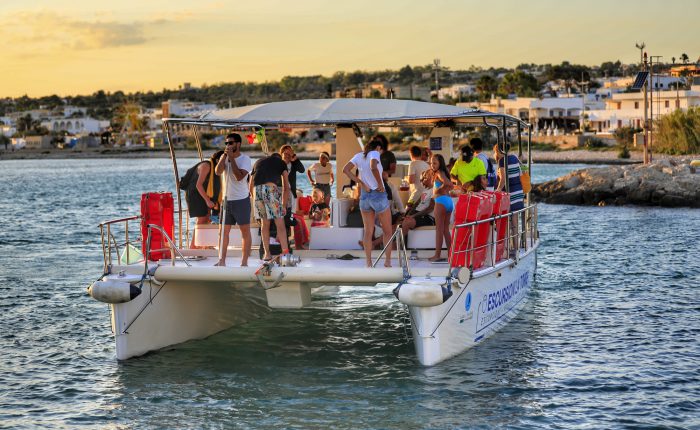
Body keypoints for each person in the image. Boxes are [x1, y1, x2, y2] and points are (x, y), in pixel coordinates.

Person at [342, 140, 393, 268]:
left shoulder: (358, 156)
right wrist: (381, 184)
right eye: (380, 150)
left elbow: (345, 170)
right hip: (378, 194)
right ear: (377, 147)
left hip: (365, 196)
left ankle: (368, 263)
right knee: (387, 231)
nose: (380, 152)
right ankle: (387, 262)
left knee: (368, 231)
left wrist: (361, 182)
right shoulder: (375, 153)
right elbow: (373, 166)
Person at [214, 133, 253, 267]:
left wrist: (232, 159)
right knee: (223, 233)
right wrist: (224, 157)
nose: (228, 145)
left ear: (238, 144)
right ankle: (221, 261)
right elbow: (217, 172)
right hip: (226, 200)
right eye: (226, 143)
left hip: (241, 200)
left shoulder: (245, 159)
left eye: (231, 143)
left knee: (245, 232)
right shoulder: (224, 157)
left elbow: (239, 177)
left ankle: (244, 262)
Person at [251, 152, 290, 261]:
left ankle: (267, 254)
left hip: (256, 191)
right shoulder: (281, 163)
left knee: (265, 224)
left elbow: (250, 185)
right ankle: (285, 253)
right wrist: (283, 205)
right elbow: (286, 187)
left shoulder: (258, 162)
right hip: (270, 190)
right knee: (280, 224)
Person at [185, 150, 224, 249]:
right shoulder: (206, 166)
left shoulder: (216, 169)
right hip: (196, 194)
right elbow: (198, 185)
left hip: (204, 194)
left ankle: (205, 244)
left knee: (208, 218)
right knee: (202, 219)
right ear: (217, 160)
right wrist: (207, 200)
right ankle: (193, 246)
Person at [429, 154, 454, 262]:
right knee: (445, 230)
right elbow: (451, 185)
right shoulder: (445, 172)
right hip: (448, 202)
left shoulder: (439, 173)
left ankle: (437, 255)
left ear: (440, 164)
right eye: (431, 163)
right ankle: (451, 254)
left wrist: (438, 190)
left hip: (440, 202)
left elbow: (448, 183)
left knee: (439, 230)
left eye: (434, 163)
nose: (432, 165)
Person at [400, 170, 435, 238]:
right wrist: (407, 214)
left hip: (427, 217)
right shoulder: (425, 190)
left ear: (432, 178)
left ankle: (398, 244)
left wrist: (413, 216)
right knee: (397, 223)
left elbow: (430, 208)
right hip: (418, 214)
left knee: (407, 222)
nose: (421, 180)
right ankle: (376, 243)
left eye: (425, 178)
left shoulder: (434, 191)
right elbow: (416, 204)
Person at [494, 143, 524, 211]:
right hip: (519, 191)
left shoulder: (502, 161)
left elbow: (503, 179)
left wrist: (498, 190)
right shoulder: (514, 157)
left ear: (500, 151)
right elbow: (525, 169)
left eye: (495, 151)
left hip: (510, 192)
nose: (495, 154)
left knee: (507, 215)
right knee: (515, 216)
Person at [279, 144, 305, 213]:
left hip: (292, 193)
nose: (287, 155)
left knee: (291, 214)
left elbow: (302, 170)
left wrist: (295, 158)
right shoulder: (278, 164)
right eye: (285, 153)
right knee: (281, 214)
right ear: (281, 154)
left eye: (289, 153)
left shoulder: (294, 164)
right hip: (280, 193)